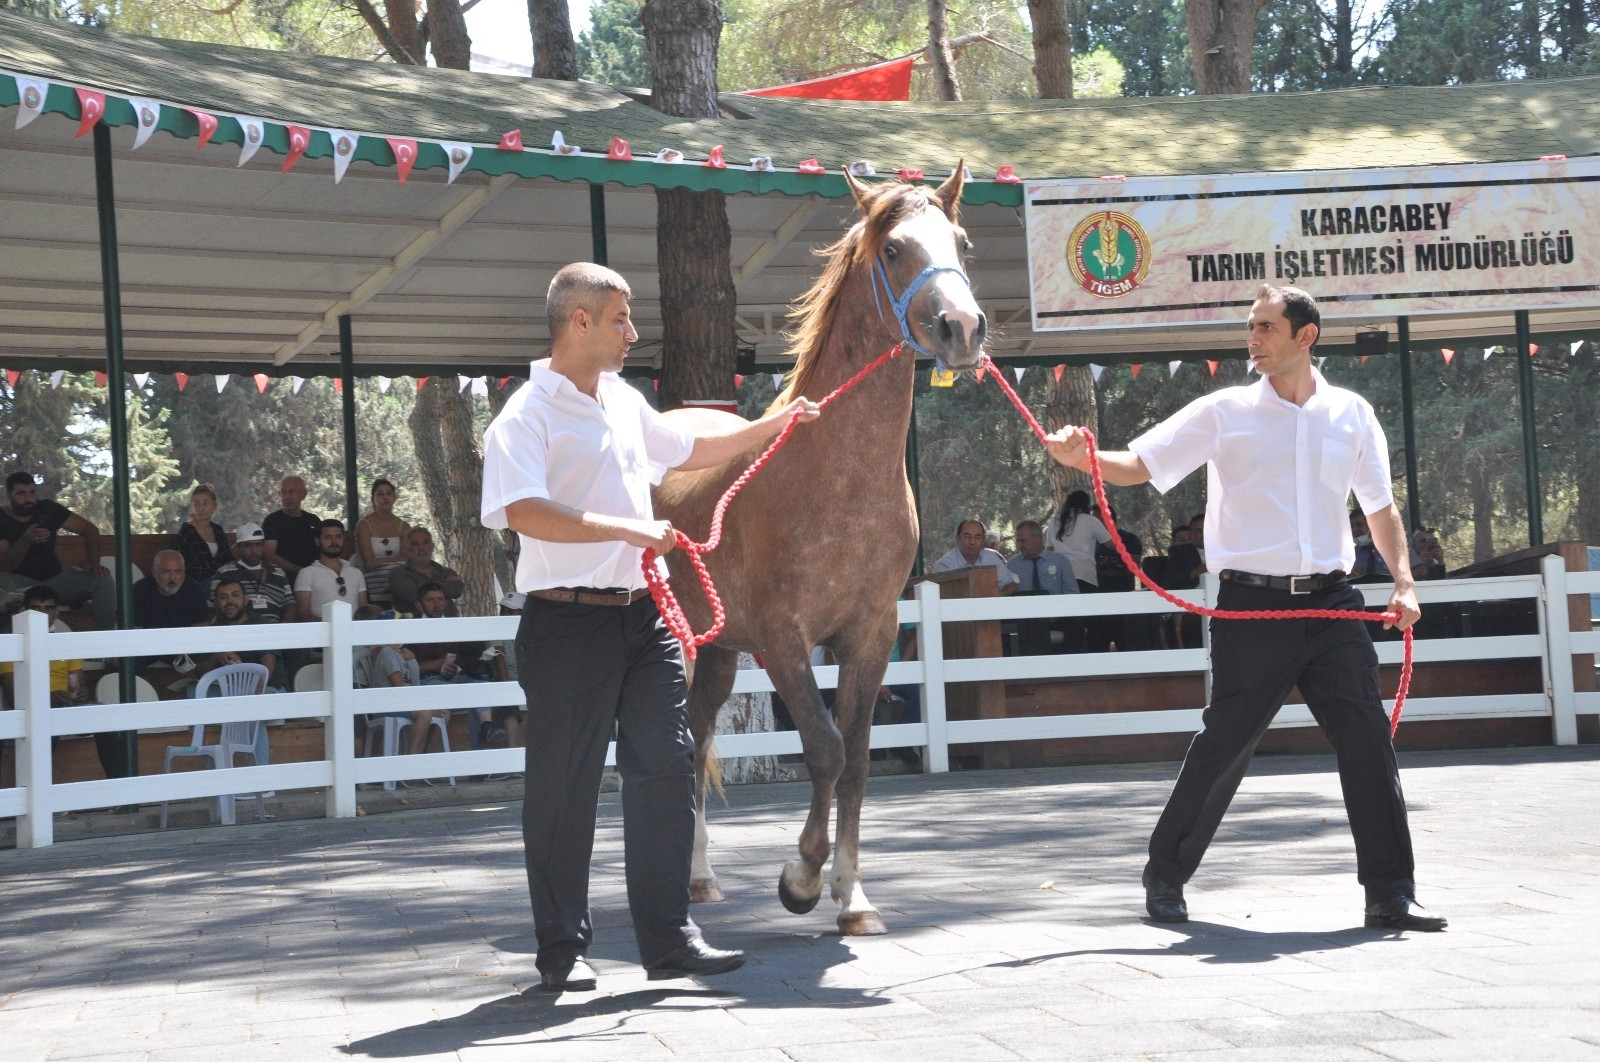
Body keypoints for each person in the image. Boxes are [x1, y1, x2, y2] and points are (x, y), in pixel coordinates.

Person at [1045, 283, 1443, 933]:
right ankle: (1165, 877)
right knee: (1227, 742)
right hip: (1252, 605)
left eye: (1265, 327)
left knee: (1367, 738)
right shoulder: (1224, 411)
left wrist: (1404, 582)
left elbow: (1380, 507)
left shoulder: (1351, 414)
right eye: (1251, 326)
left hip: (1333, 604)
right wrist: (1083, 457)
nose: (1251, 338)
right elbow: (1140, 464)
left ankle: (1391, 893)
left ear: (1305, 337)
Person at [480, 261, 819, 991]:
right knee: (564, 789)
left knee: (668, 766)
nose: (633, 332)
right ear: (579, 322)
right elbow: (523, 511)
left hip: (645, 618)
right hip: (566, 624)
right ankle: (561, 950)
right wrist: (629, 529)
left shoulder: (623, 399)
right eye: (621, 318)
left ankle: (669, 939)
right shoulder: (524, 417)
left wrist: (774, 425)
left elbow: (685, 450)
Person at [0, 471, 116, 629]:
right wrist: (25, 540)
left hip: (55, 583)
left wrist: (93, 562)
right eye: (21, 494)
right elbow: (5, 565)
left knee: (102, 579)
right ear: (9, 496)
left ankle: (107, 638)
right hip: (17, 586)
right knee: (5, 591)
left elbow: (89, 529)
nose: (28, 499)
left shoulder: (48, 508)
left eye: (32, 492)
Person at [409, 581, 500, 748]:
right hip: (426, 683)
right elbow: (405, 669)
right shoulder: (409, 628)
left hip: (451, 679)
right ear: (419, 605)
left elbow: (463, 659)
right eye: (430, 600)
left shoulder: (454, 626)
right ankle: (485, 736)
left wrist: (454, 667)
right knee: (467, 694)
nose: (436, 604)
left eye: (440, 599)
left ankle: (487, 727)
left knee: (480, 682)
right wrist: (436, 665)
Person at [352, 605, 445, 763]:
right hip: (389, 706)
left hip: (402, 704)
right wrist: (422, 705)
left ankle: (426, 756)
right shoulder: (388, 655)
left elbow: (412, 685)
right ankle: (411, 761)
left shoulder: (400, 654)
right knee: (425, 713)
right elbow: (400, 688)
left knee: (444, 713)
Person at [1005, 519, 1076, 656]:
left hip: (1057, 616)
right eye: (1017, 541)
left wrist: (1057, 613)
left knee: (1075, 622)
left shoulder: (1060, 561)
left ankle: (1070, 664)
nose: (1020, 545)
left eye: (1023, 541)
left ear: (1038, 539)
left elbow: (1072, 595)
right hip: (1026, 618)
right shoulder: (1012, 565)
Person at [209, 522, 296, 623]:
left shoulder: (278, 573)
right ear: (239, 547)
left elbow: (290, 604)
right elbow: (214, 607)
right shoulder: (224, 573)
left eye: (258, 545)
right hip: (240, 628)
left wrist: (283, 628)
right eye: (247, 545)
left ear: (263, 546)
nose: (253, 550)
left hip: (274, 628)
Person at [294, 519, 368, 620]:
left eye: (338, 537)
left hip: (353, 628)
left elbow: (364, 612)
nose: (334, 542)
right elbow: (303, 613)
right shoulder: (306, 573)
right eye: (327, 537)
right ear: (318, 541)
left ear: (343, 539)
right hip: (322, 629)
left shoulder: (356, 573)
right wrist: (331, 625)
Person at [354, 478, 409, 607]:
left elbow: (406, 558)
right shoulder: (364, 525)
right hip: (372, 578)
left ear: (394, 498)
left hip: (399, 579)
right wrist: (395, 560)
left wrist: (381, 561)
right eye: (380, 494)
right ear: (373, 499)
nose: (385, 497)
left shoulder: (404, 527)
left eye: (389, 493)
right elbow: (369, 562)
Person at [388, 527, 465, 617]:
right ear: (408, 549)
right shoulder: (398, 574)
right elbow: (414, 594)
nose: (421, 548)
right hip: (414, 623)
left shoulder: (446, 572)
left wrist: (422, 587)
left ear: (432, 547)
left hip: (451, 622)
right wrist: (445, 586)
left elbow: (457, 590)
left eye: (425, 543)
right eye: (415, 544)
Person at [931, 519, 1018, 594]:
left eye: (977, 537)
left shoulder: (991, 558)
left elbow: (1011, 584)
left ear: (983, 540)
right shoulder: (945, 566)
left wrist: (996, 598)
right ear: (958, 538)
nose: (972, 542)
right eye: (967, 536)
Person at [133, 550, 210, 629]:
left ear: (184, 573)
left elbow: (201, 629)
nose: (172, 578)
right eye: (166, 572)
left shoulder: (194, 590)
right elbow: (135, 631)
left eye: (177, 572)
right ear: (154, 572)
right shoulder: (140, 591)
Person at [263, 476, 321, 579]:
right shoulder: (272, 521)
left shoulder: (312, 520)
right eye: (283, 492)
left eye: (291, 492)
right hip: (284, 579)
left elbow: (323, 548)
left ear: (303, 495)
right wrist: (300, 571)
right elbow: (269, 555)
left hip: (315, 577)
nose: (287, 497)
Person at [176, 483, 233, 586]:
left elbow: (227, 559)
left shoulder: (218, 530)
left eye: (205, 503)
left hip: (221, 584)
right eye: (196, 504)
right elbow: (184, 564)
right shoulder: (187, 530)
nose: (200, 508)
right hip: (196, 584)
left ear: (214, 506)